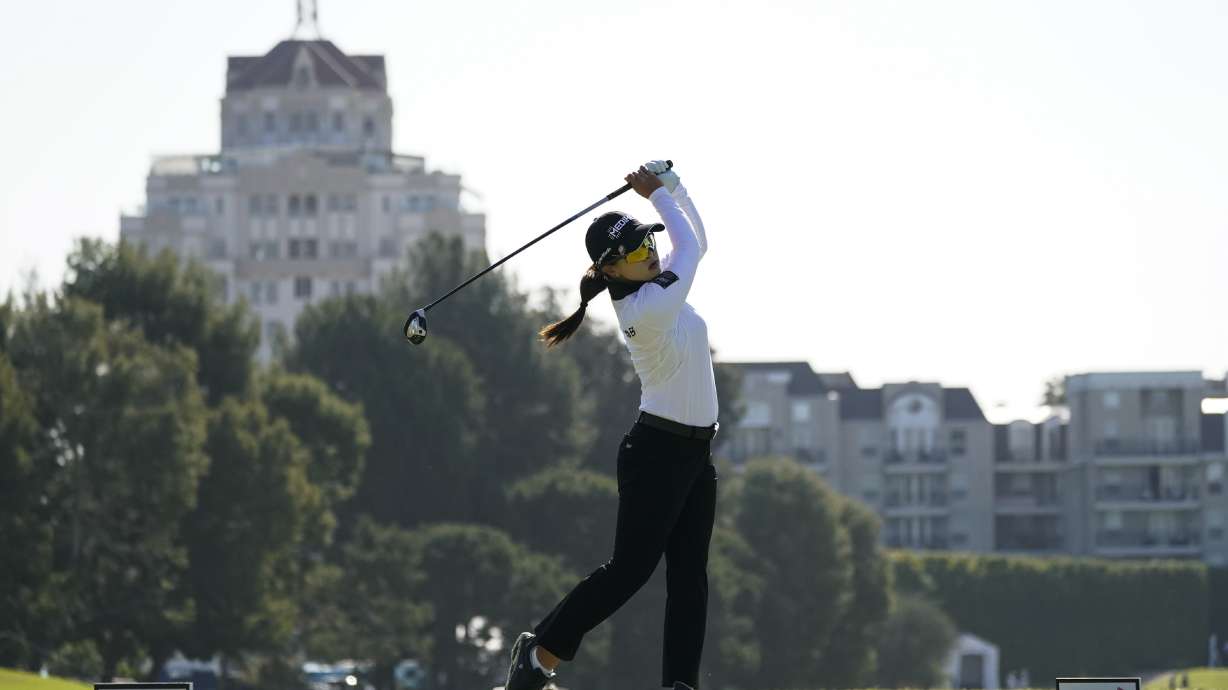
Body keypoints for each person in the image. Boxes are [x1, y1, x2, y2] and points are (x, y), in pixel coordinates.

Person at [503, 161, 718, 690]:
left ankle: (680, 685)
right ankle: (539, 653)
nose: (650, 254)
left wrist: (672, 188)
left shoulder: (654, 287)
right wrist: (657, 196)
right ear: (612, 270)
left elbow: (698, 244)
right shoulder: (645, 309)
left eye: (650, 245)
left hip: (694, 455)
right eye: (638, 252)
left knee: (690, 579)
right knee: (630, 571)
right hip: (657, 453)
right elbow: (688, 250)